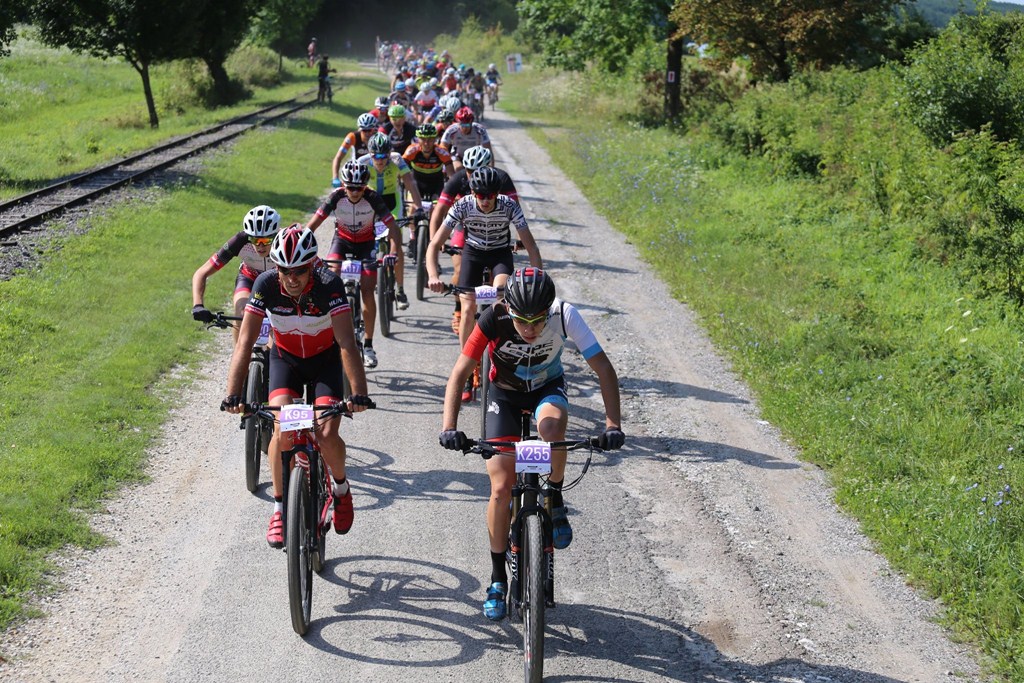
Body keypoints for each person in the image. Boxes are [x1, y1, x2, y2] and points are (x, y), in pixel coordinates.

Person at [438, 268, 625, 620]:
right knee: (501, 487)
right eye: (522, 321)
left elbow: (604, 368)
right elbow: (461, 370)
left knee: (552, 429)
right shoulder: (492, 317)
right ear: (508, 307)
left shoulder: (565, 314)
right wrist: (449, 426)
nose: (529, 330)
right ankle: (496, 578)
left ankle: (553, 495)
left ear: (548, 311)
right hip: (503, 397)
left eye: (538, 322)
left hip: (546, 388)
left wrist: (612, 424)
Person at [222, 225, 372, 548]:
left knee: (326, 432)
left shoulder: (329, 286)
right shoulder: (264, 285)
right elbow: (246, 342)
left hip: (324, 363)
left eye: (300, 271)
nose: (292, 278)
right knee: (283, 432)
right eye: (285, 270)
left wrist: (359, 392)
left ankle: (342, 490)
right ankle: (279, 508)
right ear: (276, 268)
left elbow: (347, 342)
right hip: (285, 362)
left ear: (312, 266)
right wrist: (233, 393)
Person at [427, 166, 542, 400]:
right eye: (481, 195)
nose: (486, 200)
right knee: (467, 307)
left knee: (501, 298)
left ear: (498, 194)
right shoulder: (463, 205)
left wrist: (538, 278)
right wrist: (432, 275)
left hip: (500, 253)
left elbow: (531, 247)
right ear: (472, 192)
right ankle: (468, 367)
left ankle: (503, 358)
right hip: (473, 254)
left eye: (491, 195)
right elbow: (434, 244)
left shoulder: (509, 206)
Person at [306, 160, 403, 369]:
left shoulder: (373, 198)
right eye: (350, 187)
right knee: (329, 282)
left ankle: (368, 344)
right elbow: (313, 224)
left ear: (365, 185)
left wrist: (393, 253)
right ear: (343, 184)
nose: (355, 191)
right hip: (341, 241)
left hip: (367, 245)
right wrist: (301, 248)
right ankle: (329, 334)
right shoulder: (336, 197)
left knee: (368, 292)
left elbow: (393, 228)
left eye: (359, 187)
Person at [428, 146, 518, 336]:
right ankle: (459, 309)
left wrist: (517, 241)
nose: (473, 175)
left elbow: (514, 214)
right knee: (460, 267)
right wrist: (435, 244)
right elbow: (439, 212)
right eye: (469, 171)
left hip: (494, 233)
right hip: (465, 225)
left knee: (499, 289)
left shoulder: (501, 179)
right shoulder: (458, 180)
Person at [192, 205, 281, 342]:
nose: (260, 246)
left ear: (275, 235)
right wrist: (198, 305)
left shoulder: (284, 240)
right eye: (255, 240)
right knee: (241, 311)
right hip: (249, 277)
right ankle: (238, 356)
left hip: (276, 280)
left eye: (266, 240)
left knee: (275, 325)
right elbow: (201, 273)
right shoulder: (240, 241)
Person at [331, 113, 380, 187]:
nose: (367, 133)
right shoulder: (352, 137)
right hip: (356, 171)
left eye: (369, 130)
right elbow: (338, 157)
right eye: (364, 130)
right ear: (360, 129)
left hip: (373, 171)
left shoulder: (378, 138)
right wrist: (335, 177)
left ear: (373, 128)